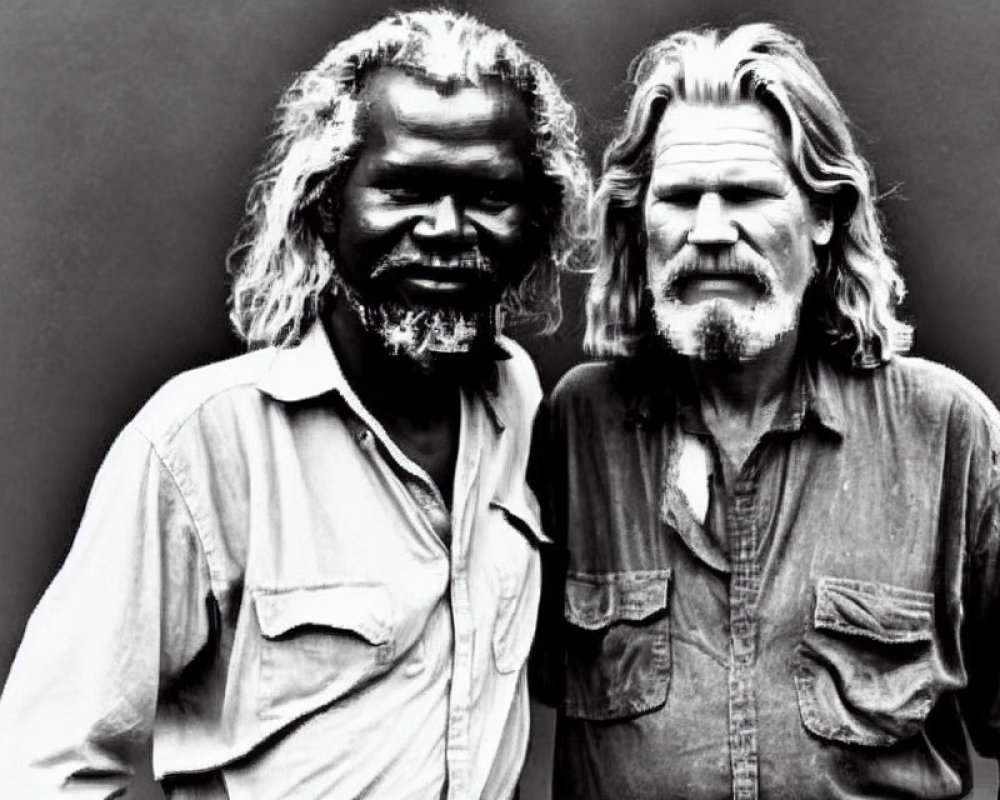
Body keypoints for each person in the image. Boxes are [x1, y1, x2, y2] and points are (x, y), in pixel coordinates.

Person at [0, 10, 589, 798]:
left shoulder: (520, 406)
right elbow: (41, 765)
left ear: (538, 220)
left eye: (488, 194)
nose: (448, 229)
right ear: (324, 205)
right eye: (406, 188)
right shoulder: (202, 443)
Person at [532, 23, 1000, 799]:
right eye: (680, 198)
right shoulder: (578, 427)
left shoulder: (947, 433)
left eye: (748, 194)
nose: (710, 232)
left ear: (822, 216)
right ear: (638, 224)